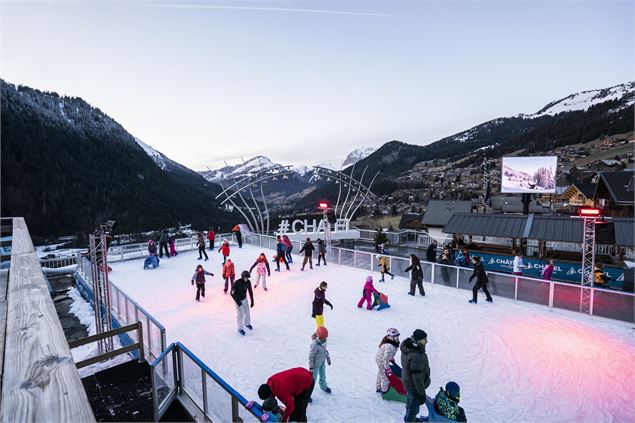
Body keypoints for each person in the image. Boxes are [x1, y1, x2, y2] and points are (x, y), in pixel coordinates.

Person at [401, 329, 431, 423]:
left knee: (410, 404)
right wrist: (421, 393)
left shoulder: (408, 348)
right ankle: (410, 420)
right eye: (424, 339)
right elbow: (417, 379)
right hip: (414, 387)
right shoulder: (416, 356)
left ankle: (409, 419)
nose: (426, 341)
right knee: (413, 408)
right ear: (418, 341)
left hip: (408, 382)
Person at [376, 328, 400, 394]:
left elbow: (387, 355)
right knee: (385, 374)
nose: (397, 338)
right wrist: (387, 368)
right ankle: (384, 390)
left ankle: (378, 387)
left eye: (397, 336)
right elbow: (385, 358)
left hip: (380, 358)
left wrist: (391, 358)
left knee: (381, 372)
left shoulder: (390, 343)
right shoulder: (389, 346)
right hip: (381, 360)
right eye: (395, 337)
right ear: (389, 337)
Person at [308, 326, 332, 394]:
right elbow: (311, 356)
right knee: (313, 379)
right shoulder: (315, 345)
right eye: (323, 338)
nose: (324, 339)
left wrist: (328, 358)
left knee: (323, 375)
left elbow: (324, 350)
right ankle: (307, 393)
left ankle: (323, 387)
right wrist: (311, 367)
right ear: (319, 336)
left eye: (325, 338)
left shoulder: (323, 341)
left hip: (322, 362)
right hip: (315, 365)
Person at [231, 270, 254, 335]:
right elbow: (232, 293)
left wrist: (252, 301)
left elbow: (250, 292)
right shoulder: (237, 282)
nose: (247, 279)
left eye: (248, 278)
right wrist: (238, 301)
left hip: (244, 299)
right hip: (237, 300)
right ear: (243, 277)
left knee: (247, 312)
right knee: (240, 314)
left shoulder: (248, 282)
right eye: (246, 277)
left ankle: (247, 323)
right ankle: (240, 328)